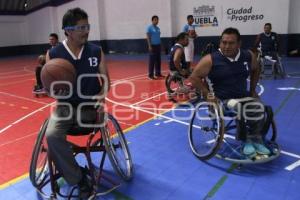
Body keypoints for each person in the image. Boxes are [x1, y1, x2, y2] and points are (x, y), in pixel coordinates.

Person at [45, 7, 110, 198]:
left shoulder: (96, 51)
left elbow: (106, 81)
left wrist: (102, 95)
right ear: (68, 30)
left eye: (87, 26)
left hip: (89, 108)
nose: (86, 31)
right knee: (52, 135)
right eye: (81, 27)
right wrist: (53, 89)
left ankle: (71, 171)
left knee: (76, 122)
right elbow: (50, 89)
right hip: (65, 108)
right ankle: (80, 178)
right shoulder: (54, 54)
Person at [190, 27, 271, 157]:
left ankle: (255, 139)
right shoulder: (210, 59)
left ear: (239, 44)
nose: (226, 46)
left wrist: (252, 90)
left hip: (243, 97)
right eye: (223, 42)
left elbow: (256, 69)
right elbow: (194, 78)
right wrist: (208, 95)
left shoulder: (248, 55)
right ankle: (245, 140)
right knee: (239, 108)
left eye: (231, 43)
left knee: (259, 107)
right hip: (221, 101)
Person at [146, 15, 164, 80]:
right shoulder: (149, 28)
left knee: (158, 60)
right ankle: (150, 75)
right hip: (152, 46)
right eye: (155, 20)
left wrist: (161, 46)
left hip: (158, 46)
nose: (157, 21)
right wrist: (149, 46)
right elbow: (148, 37)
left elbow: (159, 38)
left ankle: (158, 73)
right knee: (152, 61)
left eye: (157, 20)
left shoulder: (158, 28)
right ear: (152, 20)